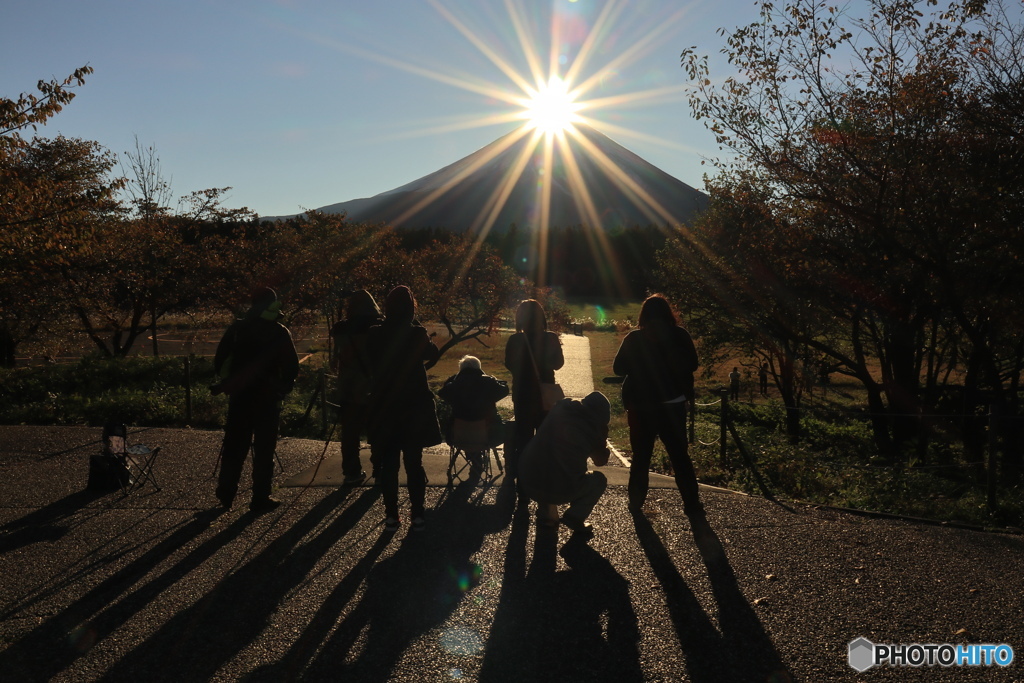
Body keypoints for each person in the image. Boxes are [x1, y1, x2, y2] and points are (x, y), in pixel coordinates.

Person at [613, 294, 711, 535]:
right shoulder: (680, 335)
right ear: (669, 314)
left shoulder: (635, 338)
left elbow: (618, 368)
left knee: (640, 458)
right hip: (672, 404)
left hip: (641, 406)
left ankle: (635, 504)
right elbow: (693, 364)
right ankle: (692, 505)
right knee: (680, 457)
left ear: (643, 315)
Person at [213, 287, 299, 514]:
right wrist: (283, 387)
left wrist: (230, 381)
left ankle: (226, 493)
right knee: (264, 450)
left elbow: (219, 360)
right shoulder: (279, 331)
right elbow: (292, 366)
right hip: (268, 398)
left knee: (234, 447)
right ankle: (260, 497)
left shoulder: (237, 329)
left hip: (240, 397)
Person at [365, 285, 442, 531]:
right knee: (414, 462)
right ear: (411, 309)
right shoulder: (417, 334)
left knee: (389, 464)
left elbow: (368, 362)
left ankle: (391, 516)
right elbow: (433, 353)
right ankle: (417, 514)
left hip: (385, 405)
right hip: (413, 406)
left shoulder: (375, 333)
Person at [518, 391, 611, 538]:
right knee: (598, 480)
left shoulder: (560, 410)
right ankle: (574, 517)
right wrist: (602, 444)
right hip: (560, 489)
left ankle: (546, 514)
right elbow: (600, 462)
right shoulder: (595, 429)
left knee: (547, 462)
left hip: (527, 480)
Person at [503, 299, 564, 484]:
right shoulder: (551, 338)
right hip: (545, 395)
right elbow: (558, 364)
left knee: (524, 438)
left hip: (522, 394)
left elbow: (509, 364)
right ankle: (543, 476)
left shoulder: (515, 340)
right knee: (546, 437)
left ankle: (523, 479)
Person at [329, 290, 383, 485]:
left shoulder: (340, 329)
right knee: (377, 431)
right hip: (373, 388)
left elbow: (336, 359)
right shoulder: (378, 327)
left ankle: (351, 472)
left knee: (350, 434)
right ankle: (380, 470)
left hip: (348, 388)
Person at [438, 355, 509, 474]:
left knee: (467, 427)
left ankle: (474, 460)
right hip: (488, 436)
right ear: (478, 368)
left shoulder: (454, 385)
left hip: (458, 436)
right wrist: (493, 380)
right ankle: (479, 460)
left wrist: (451, 380)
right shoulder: (488, 382)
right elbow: (505, 390)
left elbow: (442, 392)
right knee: (493, 425)